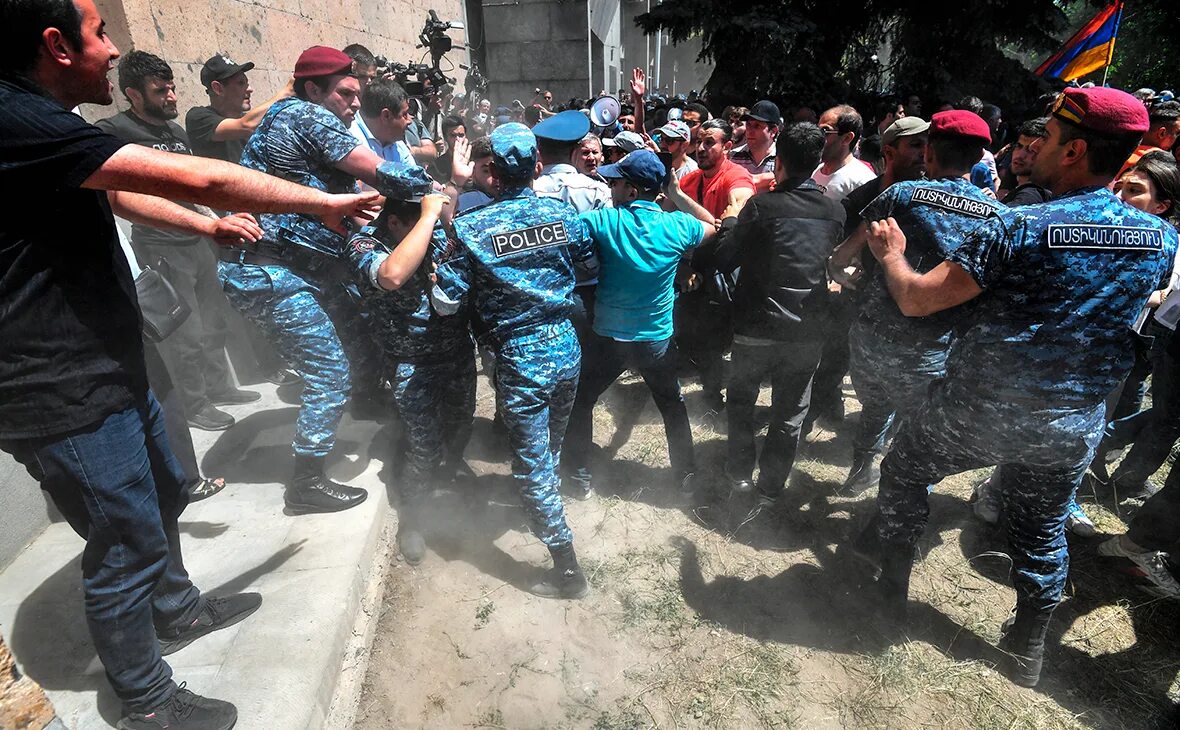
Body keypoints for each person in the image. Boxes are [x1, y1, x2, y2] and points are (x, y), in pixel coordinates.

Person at [0, 0, 377, 725]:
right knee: (126, 539)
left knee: (170, 487)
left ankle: (177, 609)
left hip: (112, 356)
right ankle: (145, 698)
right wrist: (319, 202)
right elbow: (200, 177)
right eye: (99, 32)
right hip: (58, 383)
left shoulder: (46, 121)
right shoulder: (12, 118)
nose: (113, 50)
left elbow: (123, 195)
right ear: (54, 44)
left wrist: (207, 226)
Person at [855, 87, 1177, 689]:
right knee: (1042, 528)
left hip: (984, 407)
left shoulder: (1021, 226)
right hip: (1072, 422)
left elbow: (919, 299)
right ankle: (1026, 646)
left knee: (902, 472)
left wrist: (893, 255)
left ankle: (889, 593)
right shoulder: (1161, 240)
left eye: (1047, 139)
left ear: (1076, 149)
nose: (1032, 148)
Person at [219, 45, 392, 514]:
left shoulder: (291, 115)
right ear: (315, 89)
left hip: (297, 265)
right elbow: (379, 172)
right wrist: (431, 193)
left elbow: (344, 197)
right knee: (328, 372)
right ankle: (306, 483)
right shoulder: (307, 116)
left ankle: (370, 401)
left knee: (357, 331)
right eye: (347, 93)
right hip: (270, 269)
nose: (356, 103)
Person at [431, 123, 597, 599]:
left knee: (531, 463)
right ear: (537, 167)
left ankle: (567, 570)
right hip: (566, 346)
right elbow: (586, 262)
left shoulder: (471, 228)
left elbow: (445, 302)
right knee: (550, 447)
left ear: (494, 174)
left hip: (521, 356)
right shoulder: (562, 214)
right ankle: (543, 509)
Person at [833, 111, 1002, 496]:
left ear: (929, 153)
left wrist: (842, 272)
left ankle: (861, 470)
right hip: (934, 349)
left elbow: (843, 257)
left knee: (874, 409)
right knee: (918, 427)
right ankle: (902, 496)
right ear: (977, 160)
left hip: (873, 339)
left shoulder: (899, 196)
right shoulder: (999, 218)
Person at [95, 50, 260, 432]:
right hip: (162, 245)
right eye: (160, 91)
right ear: (133, 95)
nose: (171, 97)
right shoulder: (113, 131)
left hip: (200, 240)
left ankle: (220, 387)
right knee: (186, 333)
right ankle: (194, 403)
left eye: (171, 88)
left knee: (215, 321)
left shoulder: (176, 133)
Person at [696, 123, 845, 503]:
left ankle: (740, 474)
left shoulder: (761, 207)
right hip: (808, 331)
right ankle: (772, 484)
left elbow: (725, 257)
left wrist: (731, 219)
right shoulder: (834, 211)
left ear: (779, 162)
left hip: (756, 327)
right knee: (790, 412)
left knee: (743, 402)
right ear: (815, 163)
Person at [563, 150, 716, 500]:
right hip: (655, 341)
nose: (610, 185)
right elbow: (712, 225)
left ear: (632, 190)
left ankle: (579, 478)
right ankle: (685, 476)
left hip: (610, 338)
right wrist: (676, 194)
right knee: (672, 404)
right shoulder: (677, 225)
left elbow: (565, 231)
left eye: (615, 181)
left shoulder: (605, 221)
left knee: (582, 399)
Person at [345, 164, 469, 564]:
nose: (431, 232)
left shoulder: (431, 228)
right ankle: (412, 517)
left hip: (455, 353)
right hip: (412, 364)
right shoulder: (365, 244)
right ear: (395, 220)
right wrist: (430, 217)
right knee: (423, 446)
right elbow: (392, 276)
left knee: (459, 427)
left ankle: (447, 484)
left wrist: (453, 189)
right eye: (421, 222)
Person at [1092, 152, 1180, 501]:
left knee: (1121, 406)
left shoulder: (1166, 244)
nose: (1120, 198)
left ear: (1162, 206)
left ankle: (1094, 464)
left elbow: (1164, 293)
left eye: (1134, 191)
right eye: (1120, 187)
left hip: (1131, 342)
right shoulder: (1096, 227)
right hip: (1089, 345)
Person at [671, 119, 755, 416]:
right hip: (691, 265)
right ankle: (703, 378)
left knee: (715, 337)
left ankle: (715, 396)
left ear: (727, 147)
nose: (702, 149)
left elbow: (741, 198)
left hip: (725, 265)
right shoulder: (691, 179)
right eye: (700, 143)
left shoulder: (736, 175)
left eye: (710, 143)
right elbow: (666, 215)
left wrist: (735, 210)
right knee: (687, 331)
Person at [807, 104, 876, 429]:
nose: (818, 136)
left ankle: (820, 409)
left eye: (825, 131)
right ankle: (826, 406)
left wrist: (845, 268)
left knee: (834, 350)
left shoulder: (860, 178)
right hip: (813, 271)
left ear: (848, 137)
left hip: (840, 280)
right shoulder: (816, 170)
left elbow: (868, 230)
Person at [185, 53, 293, 166]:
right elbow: (246, 125)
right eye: (241, 83)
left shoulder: (248, 121)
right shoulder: (198, 118)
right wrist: (287, 92)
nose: (250, 89)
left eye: (247, 83)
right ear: (218, 89)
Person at [348, 78, 416, 166]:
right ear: (386, 116)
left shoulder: (397, 144)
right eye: (404, 114)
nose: (409, 121)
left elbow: (414, 177)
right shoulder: (349, 140)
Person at [729, 100, 781, 192]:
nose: (750, 131)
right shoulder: (733, 156)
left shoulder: (783, 159)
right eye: (748, 124)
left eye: (757, 126)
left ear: (773, 131)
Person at [1000, 117, 1052, 206]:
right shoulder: (1011, 184)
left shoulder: (1031, 196)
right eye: (1019, 146)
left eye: (1032, 150)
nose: (1020, 155)